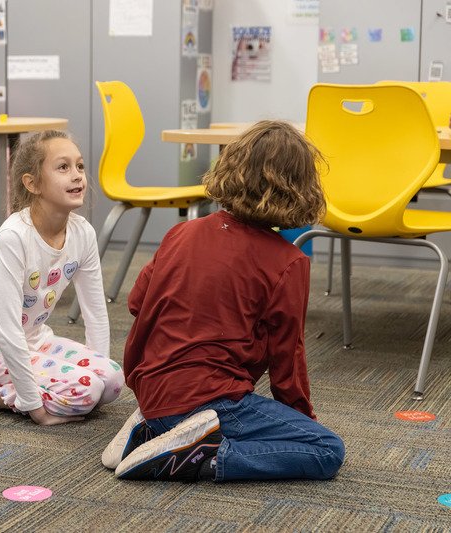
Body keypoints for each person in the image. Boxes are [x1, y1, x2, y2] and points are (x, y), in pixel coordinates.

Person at [102, 121, 345, 482]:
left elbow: (138, 302)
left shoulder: (181, 232)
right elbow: (287, 362)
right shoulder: (289, 262)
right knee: (327, 449)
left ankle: (152, 429)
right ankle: (202, 457)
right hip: (208, 399)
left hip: (150, 389)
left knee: (214, 407)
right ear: (301, 188)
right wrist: (299, 422)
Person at [0, 130, 124, 425]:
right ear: (32, 183)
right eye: (63, 167)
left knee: (112, 382)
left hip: (34, 338)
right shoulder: (14, 238)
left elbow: (96, 313)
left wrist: (98, 376)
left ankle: (68, 392)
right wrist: (34, 408)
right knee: (85, 391)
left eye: (80, 166)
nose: (77, 175)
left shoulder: (83, 232)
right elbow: (8, 329)